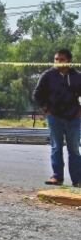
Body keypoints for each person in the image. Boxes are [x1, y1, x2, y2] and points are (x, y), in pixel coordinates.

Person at [32, 48, 81, 187]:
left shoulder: (77, 76)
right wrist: (46, 109)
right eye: (56, 59)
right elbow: (37, 95)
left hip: (74, 118)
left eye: (61, 59)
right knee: (56, 147)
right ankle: (57, 177)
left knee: (74, 149)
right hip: (55, 117)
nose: (58, 62)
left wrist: (80, 111)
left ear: (69, 61)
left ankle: (77, 180)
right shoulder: (48, 75)